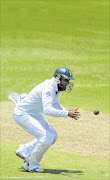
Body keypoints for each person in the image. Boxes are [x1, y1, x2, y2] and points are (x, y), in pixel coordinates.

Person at [9, 67, 80, 173]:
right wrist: (66, 113)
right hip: (22, 114)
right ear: (58, 78)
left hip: (34, 114)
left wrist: (66, 110)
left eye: (68, 80)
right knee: (46, 137)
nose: (68, 83)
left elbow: (55, 103)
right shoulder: (48, 88)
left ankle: (24, 150)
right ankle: (31, 165)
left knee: (53, 136)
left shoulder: (56, 87)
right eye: (66, 80)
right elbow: (47, 110)